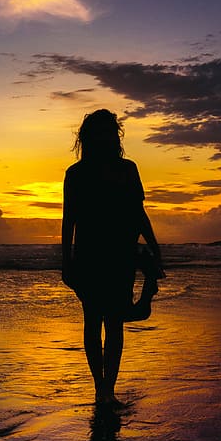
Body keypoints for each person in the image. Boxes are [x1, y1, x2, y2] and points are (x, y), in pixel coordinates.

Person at [62, 109, 163, 406]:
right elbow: (70, 220)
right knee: (93, 322)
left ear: (115, 135)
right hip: (89, 255)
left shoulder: (128, 169)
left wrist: (155, 248)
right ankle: (99, 388)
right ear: (88, 136)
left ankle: (108, 389)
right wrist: (66, 261)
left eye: (109, 131)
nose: (104, 136)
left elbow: (138, 213)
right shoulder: (76, 174)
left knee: (115, 322)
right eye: (98, 131)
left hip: (121, 254)